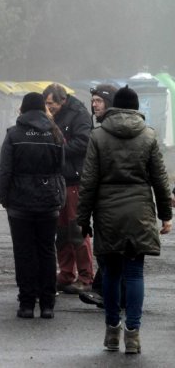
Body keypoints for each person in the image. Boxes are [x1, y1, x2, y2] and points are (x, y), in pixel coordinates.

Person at [77, 85, 172, 354]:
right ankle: (133, 334)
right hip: (139, 212)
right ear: (137, 108)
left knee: (111, 273)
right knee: (134, 274)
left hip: (107, 213)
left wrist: (83, 219)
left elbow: (89, 181)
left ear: (115, 106)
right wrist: (166, 214)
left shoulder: (98, 136)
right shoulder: (149, 136)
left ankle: (111, 332)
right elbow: (160, 180)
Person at [0, 92, 65, 318]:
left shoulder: (14, 134)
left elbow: (5, 170)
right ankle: (47, 305)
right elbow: (60, 168)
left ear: (22, 110)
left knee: (24, 252)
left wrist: (4, 197)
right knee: (47, 251)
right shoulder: (55, 133)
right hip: (48, 202)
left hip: (20, 203)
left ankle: (26, 303)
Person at [42, 82, 94, 294]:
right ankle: (65, 274)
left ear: (62, 100)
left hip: (74, 180)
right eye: (46, 104)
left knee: (77, 230)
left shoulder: (79, 114)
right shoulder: (52, 116)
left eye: (51, 103)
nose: (48, 107)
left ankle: (85, 276)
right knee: (61, 231)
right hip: (58, 180)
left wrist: (57, 151)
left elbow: (83, 143)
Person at [79, 83, 119, 309]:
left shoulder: (102, 135)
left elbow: (92, 173)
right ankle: (104, 290)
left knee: (109, 250)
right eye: (93, 100)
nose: (94, 105)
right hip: (116, 201)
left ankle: (107, 293)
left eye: (99, 101)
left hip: (108, 201)